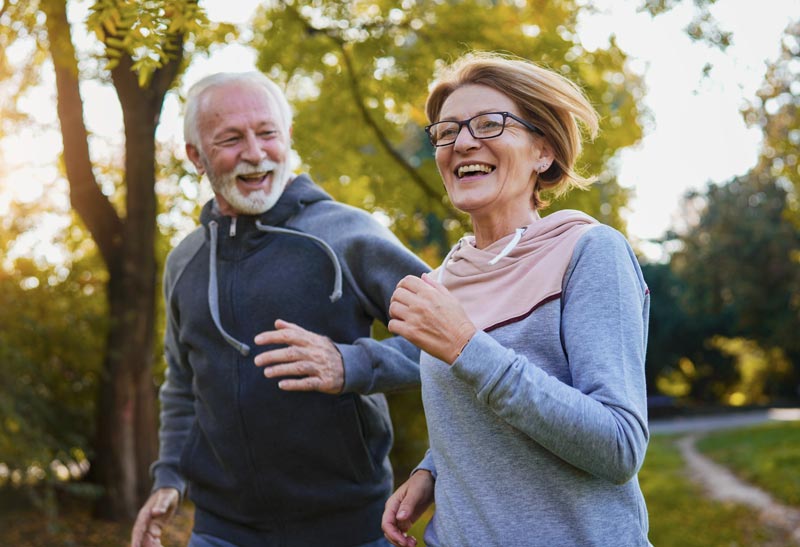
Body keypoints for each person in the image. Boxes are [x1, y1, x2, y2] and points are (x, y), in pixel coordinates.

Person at [130, 71, 429, 547]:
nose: (254, 152)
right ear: (195, 156)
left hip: (349, 529)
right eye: (230, 139)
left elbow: (456, 341)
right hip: (219, 531)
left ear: (287, 138)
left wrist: (352, 363)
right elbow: (183, 382)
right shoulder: (185, 261)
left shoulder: (347, 234)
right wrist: (169, 478)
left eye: (267, 133)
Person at [381, 52, 652, 547]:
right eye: (447, 131)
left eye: (489, 124)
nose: (463, 142)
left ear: (543, 152)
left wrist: (467, 346)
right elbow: (481, 414)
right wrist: (433, 469)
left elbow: (618, 446)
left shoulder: (588, 252)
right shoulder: (442, 281)